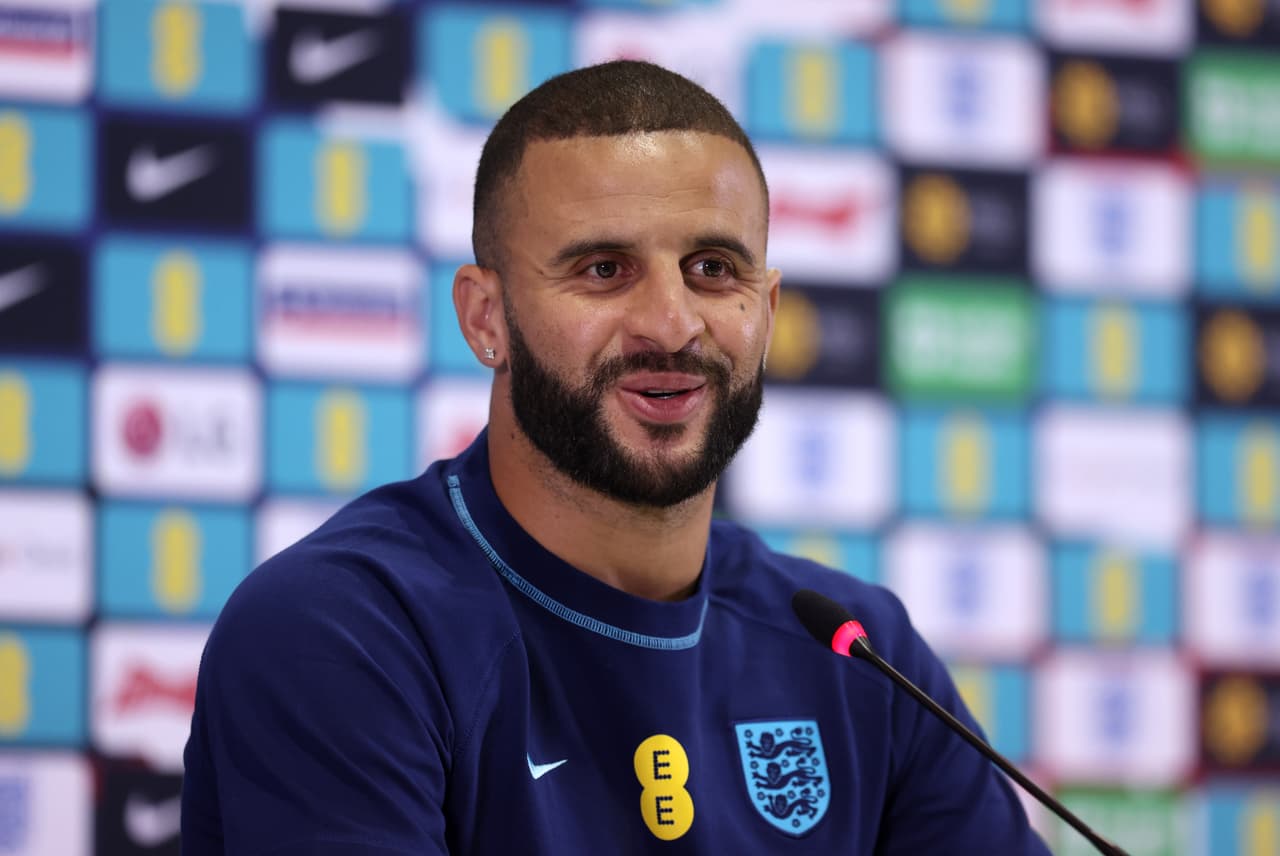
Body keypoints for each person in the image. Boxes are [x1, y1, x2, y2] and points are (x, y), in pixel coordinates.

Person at [182, 60, 1050, 855]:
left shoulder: (858, 651)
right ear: (486, 319)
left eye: (713, 268)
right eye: (603, 270)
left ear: (767, 310)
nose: (671, 324)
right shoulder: (342, 630)